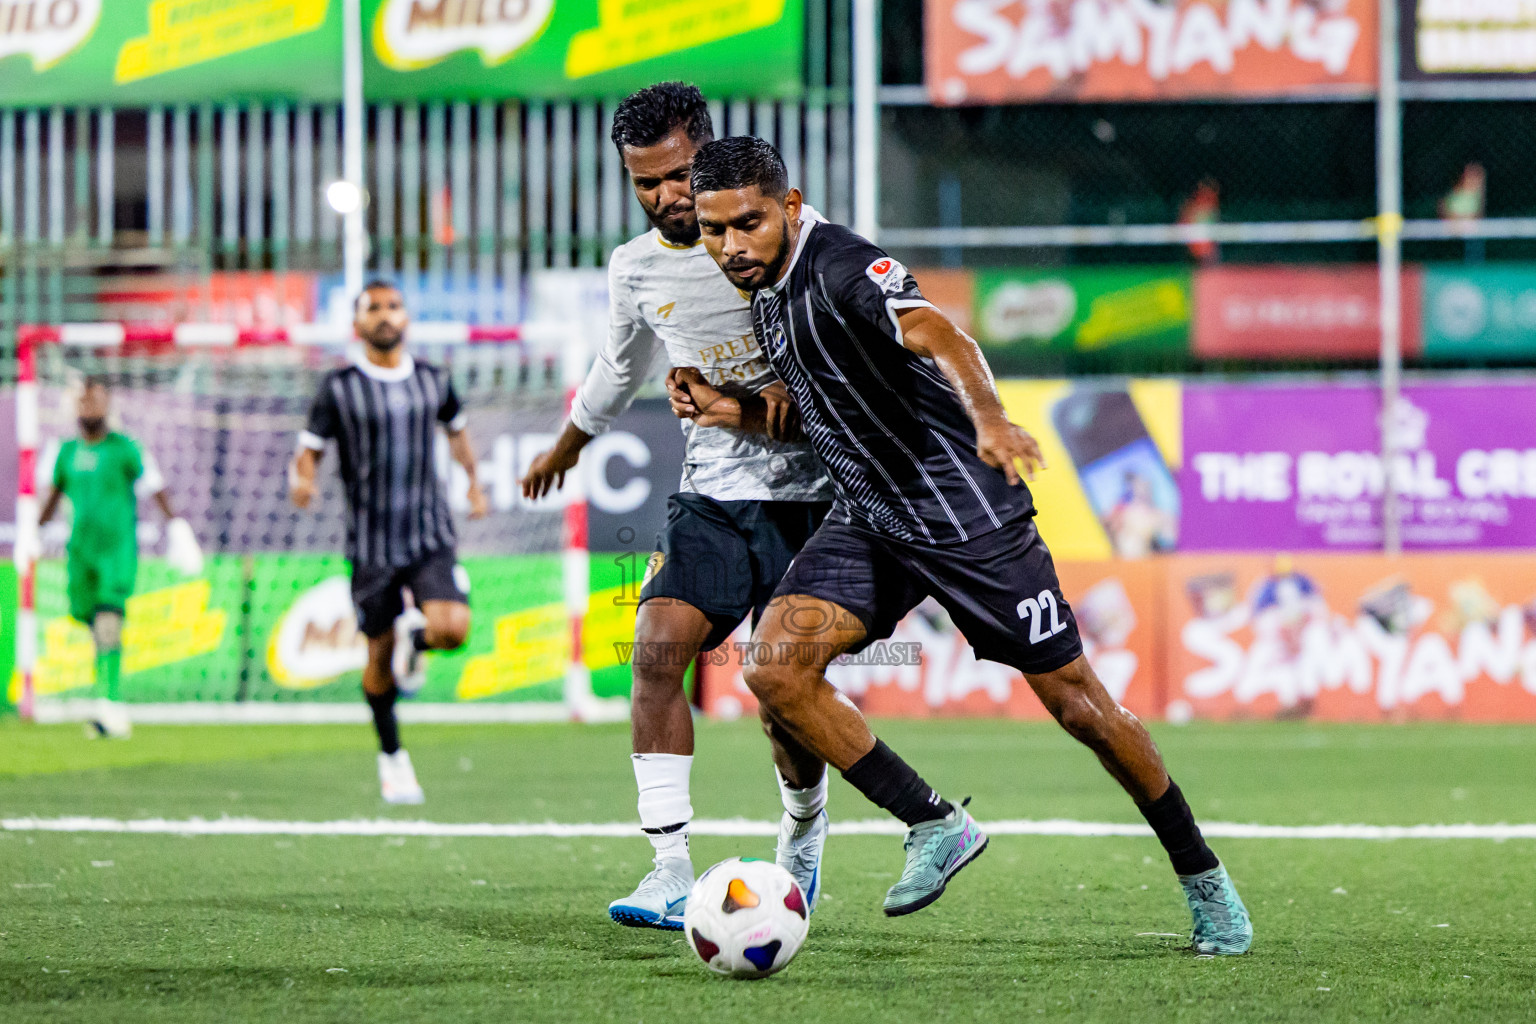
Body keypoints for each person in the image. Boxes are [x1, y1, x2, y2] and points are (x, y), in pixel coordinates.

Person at [681, 135, 1252, 952]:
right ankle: (931, 823)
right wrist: (729, 410)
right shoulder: (763, 290)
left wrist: (987, 414)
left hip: (967, 520)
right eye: (714, 229)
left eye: (749, 223)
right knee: (775, 669)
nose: (732, 245)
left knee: (1080, 707)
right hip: (872, 519)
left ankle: (1205, 881)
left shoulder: (842, 267)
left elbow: (943, 335)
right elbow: (827, 410)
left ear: (793, 207)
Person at [519, 83, 835, 931]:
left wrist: (760, 391)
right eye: (644, 182)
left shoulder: (784, 241)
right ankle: (667, 868)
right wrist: (564, 448)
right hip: (713, 494)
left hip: (814, 499)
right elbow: (619, 370)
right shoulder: (636, 267)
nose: (666, 198)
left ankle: (802, 834)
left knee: (782, 702)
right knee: (656, 654)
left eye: (678, 176)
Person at [290, 280, 488, 804]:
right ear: (356, 324)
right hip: (371, 543)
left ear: (407, 318)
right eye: (372, 308)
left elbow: (457, 429)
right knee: (376, 659)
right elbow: (309, 448)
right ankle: (392, 757)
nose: (384, 315)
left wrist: (472, 479)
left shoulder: (432, 380)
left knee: (453, 628)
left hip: (429, 533)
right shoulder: (338, 388)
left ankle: (415, 640)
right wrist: (302, 477)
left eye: (393, 306)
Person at [37, 378, 202, 739]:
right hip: (80, 553)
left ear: (108, 405)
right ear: (75, 406)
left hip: (117, 552)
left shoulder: (126, 449)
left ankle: (110, 706)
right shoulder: (65, 452)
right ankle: (107, 702)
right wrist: (35, 531)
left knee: (108, 621)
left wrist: (176, 527)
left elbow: (154, 486)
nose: (90, 407)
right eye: (84, 401)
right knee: (88, 619)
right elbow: (53, 496)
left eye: (97, 400)